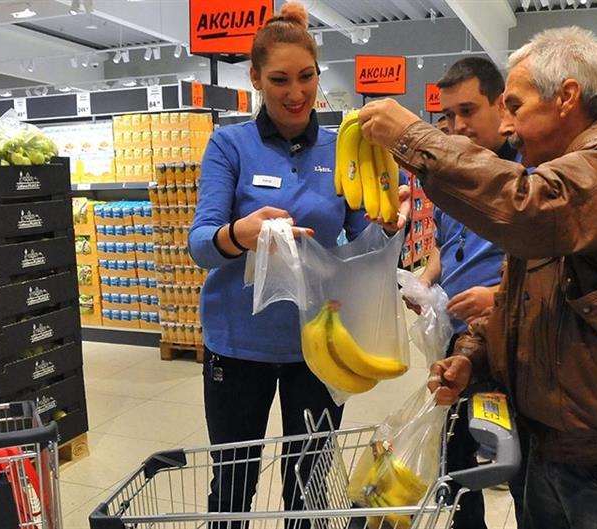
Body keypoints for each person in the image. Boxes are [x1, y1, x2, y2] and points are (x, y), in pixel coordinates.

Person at [358, 26, 597, 529]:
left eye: (515, 107)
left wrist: (414, 137)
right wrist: (471, 357)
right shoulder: (562, 177)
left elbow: (526, 209)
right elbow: (524, 299)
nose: (507, 124)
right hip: (552, 443)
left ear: (566, 97)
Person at [188, 3, 409, 527]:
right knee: (234, 480)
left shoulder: (342, 150)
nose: (295, 93)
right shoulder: (229, 145)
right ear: (256, 79)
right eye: (280, 79)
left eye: (306, 77)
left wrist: (388, 223)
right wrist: (239, 233)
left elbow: (359, 241)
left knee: (308, 482)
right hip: (238, 344)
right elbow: (199, 244)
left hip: (320, 341)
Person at [411, 57, 517, 529]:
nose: (458, 126)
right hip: (457, 344)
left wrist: (496, 297)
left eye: (469, 111)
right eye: (449, 115)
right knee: (453, 468)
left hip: (506, 346)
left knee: (513, 463)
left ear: (502, 106)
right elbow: (442, 245)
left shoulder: (526, 181)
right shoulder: (453, 179)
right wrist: (425, 280)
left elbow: (552, 270)